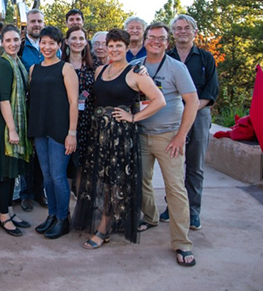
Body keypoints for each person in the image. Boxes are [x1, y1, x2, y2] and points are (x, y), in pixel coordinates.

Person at [72, 29, 165, 249]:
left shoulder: (136, 73)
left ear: (126, 47)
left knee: (114, 184)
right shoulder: (100, 70)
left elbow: (159, 100)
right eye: (110, 45)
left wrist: (133, 117)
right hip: (99, 136)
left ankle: (103, 229)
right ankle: (107, 222)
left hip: (120, 137)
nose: (113, 49)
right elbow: (89, 95)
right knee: (100, 181)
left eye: (118, 46)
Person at [133, 22, 199, 267]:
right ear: (145, 40)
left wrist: (181, 135)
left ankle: (182, 242)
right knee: (141, 181)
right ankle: (149, 217)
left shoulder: (177, 68)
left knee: (175, 189)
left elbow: (191, 102)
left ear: (167, 43)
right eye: (152, 37)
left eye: (161, 38)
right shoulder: (135, 66)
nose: (156, 42)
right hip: (140, 135)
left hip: (168, 137)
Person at [160, 14, 219, 230]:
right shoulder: (167, 57)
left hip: (199, 115)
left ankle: (193, 212)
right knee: (171, 166)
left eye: (186, 28)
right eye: (178, 28)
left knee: (194, 166)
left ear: (194, 31)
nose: (182, 31)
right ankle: (172, 207)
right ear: (172, 33)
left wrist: (191, 108)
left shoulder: (205, 58)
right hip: (172, 117)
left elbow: (211, 91)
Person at [28, 26, 79, 239]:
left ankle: (63, 218)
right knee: (47, 175)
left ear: (59, 45)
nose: (47, 47)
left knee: (58, 176)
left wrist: (72, 132)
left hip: (60, 129)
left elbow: (73, 101)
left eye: (51, 43)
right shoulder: (33, 69)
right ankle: (52, 215)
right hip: (40, 128)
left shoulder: (66, 68)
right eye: (43, 42)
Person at [0, 25, 32, 237]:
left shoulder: (18, 63)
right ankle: (3, 216)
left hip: (14, 123)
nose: (12, 44)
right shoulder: (5, 65)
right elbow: (4, 99)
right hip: (6, 125)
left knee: (12, 172)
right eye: (8, 40)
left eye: (16, 39)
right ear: (2, 42)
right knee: (5, 174)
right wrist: (12, 129)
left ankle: (9, 211)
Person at [17, 9, 47, 212]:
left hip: (47, 106)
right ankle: (26, 193)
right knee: (28, 151)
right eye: (33, 21)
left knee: (43, 150)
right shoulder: (20, 47)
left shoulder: (51, 45)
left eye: (39, 21)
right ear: (26, 24)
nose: (36, 24)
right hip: (27, 106)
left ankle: (40, 191)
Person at [61, 26, 96, 192]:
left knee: (84, 163)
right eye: (73, 38)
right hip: (64, 120)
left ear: (86, 42)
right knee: (65, 165)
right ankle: (65, 205)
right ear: (67, 41)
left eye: (81, 38)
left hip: (87, 121)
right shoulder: (59, 64)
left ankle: (82, 202)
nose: (77, 42)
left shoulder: (94, 66)